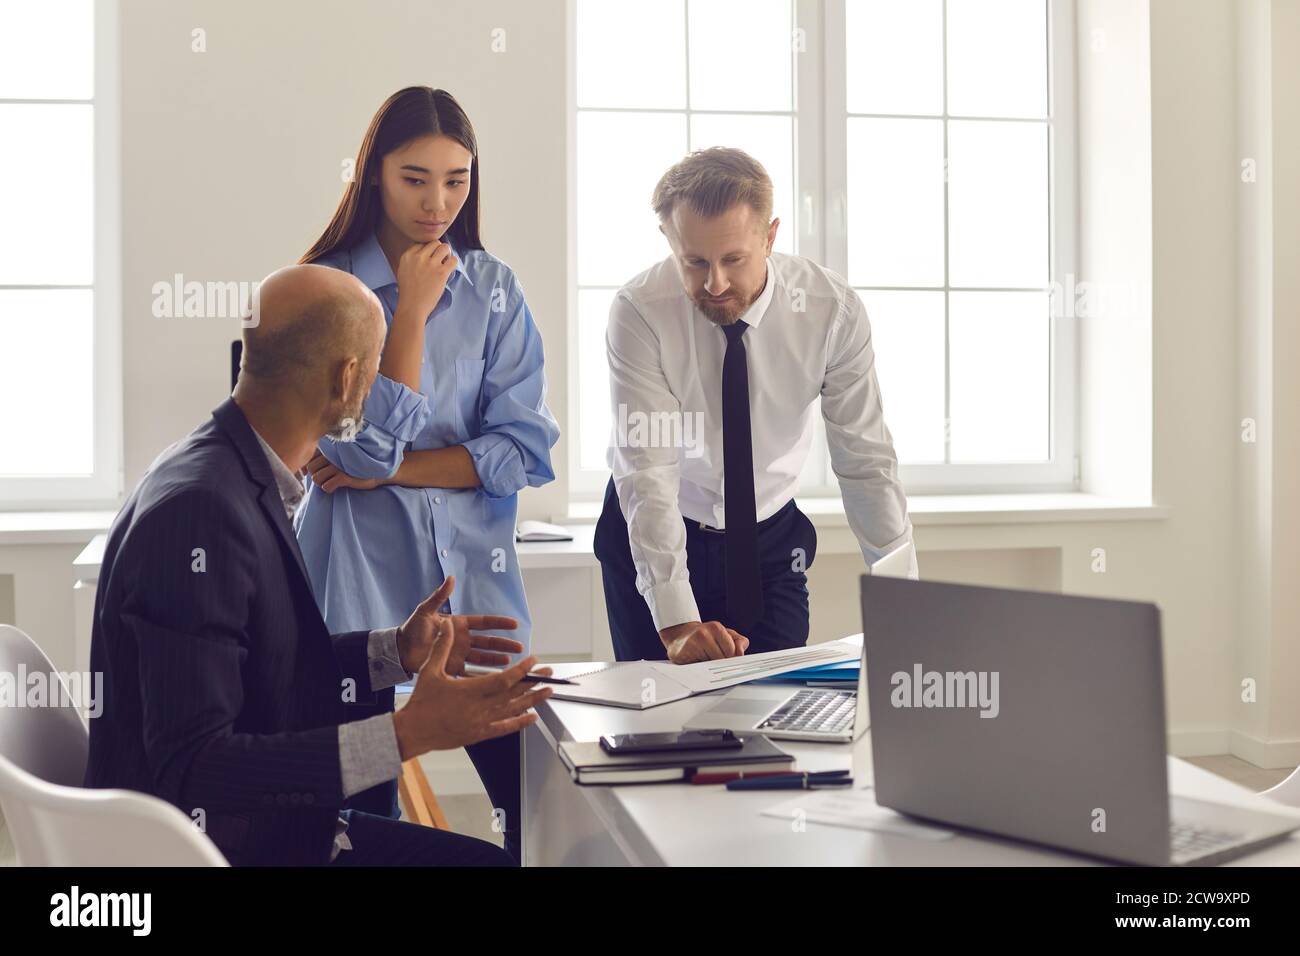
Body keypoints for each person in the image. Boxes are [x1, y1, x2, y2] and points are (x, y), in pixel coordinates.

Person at [84, 264, 553, 866]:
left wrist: (396, 650)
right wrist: (408, 733)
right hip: (223, 848)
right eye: (380, 369)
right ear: (350, 377)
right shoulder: (203, 510)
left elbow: (260, 665)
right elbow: (196, 764)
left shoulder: (230, 466)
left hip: (263, 826)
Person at [294, 87, 559, 859]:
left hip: (479, 587)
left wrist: (390, 471)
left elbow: (523, 452)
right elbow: (351, 455)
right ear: (373, 173)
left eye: (456, 179)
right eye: (415, 178)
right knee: (366, 821)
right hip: (357, 595)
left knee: (537, 808)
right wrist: (409, 310)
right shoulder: (326, 286)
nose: (437, 201)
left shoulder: (497, 290)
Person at [595, 147, 918, 665]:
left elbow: (866, 462)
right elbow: (646, 471)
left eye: (733, 260)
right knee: (659, 729)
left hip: (771, 542)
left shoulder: (830, 311)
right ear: (668, 241)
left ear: (770, 237)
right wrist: (677, 620)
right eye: (694, 262)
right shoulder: (639, 312)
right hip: (661, 526)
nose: (714, 283)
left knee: (776, 717)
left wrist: (904, 601)